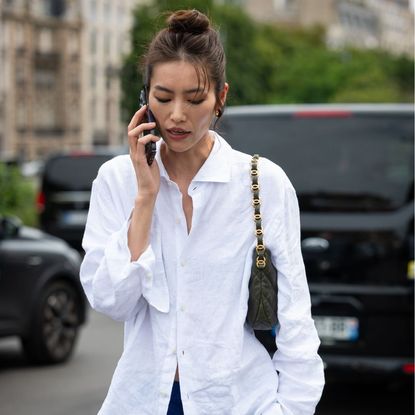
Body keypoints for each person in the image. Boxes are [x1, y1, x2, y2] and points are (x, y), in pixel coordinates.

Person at [80, 9, 325, 415]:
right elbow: (111, 302)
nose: (177, 115)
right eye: (162, 97)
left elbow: (295, 315)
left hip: (241, 402)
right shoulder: (116, 180)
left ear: (220, 98)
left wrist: (291, 409)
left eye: (194, 99)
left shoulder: (264, 182)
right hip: (142, 401)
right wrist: (145, 198)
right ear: (144, 98)